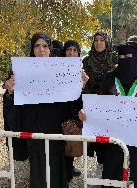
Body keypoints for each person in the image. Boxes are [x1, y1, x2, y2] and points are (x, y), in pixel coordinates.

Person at [3, 33, 88, 188]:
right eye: (37, 46)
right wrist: (9, 91)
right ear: (32, 49)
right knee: (38, 171)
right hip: (33, 130)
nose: (41, 50)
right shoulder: (21, 71)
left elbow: (72, 101)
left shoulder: (61, 71)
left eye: (45, 46)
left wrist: (80, 85)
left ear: (50, 49)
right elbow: (12, 101)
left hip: (55, 130)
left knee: (56, 170)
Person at [79, 41, 137, 188]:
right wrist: (88, 114)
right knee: (113, 176)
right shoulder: (110, 77)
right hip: (114, 141)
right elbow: (100, 104)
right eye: (121, 56)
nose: (125, 59)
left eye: (129, 55)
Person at [82, 31, 117, 166]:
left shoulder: (115, 59)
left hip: (111, 105)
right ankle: (100, 163)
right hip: (93, 104)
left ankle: (110, 166)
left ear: (107, 42)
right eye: (96, 40)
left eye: (102, 40)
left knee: (110, 137)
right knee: (96, 137)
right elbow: (83, 83)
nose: (98, 43)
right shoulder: (87, 60)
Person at [61, 40, 83, 182]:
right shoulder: (57, 68)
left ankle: (68, 173)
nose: (71, 53)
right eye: (69, 49)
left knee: (71, 146)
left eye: (75, 50)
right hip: (59, 113)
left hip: (73, 114)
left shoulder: (81, 70)